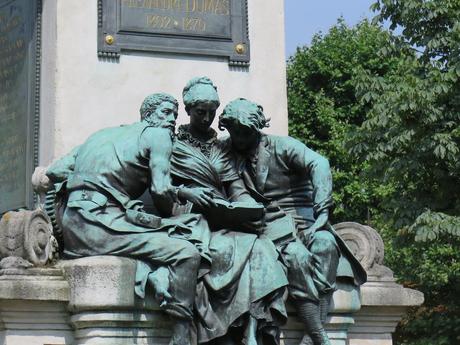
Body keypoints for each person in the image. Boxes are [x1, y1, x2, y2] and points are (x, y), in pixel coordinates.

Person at [36, 93, 212, 345]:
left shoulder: (100, 136)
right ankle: (182, 336)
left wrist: (98, 184)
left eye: (174, 114)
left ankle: (157, 280)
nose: (172, 119)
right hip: (101, 223)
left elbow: (54, 171)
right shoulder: (158, 135)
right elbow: (161, 190)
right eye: (166, 113)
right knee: (187, 253)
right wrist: (184, 193)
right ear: (149, 115)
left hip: (73, 226)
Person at [218, 98, 367, 345]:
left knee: (326, 245)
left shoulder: (281, 146)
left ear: (256, 129)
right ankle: (318, 334)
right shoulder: (225, 151)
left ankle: (311, 334)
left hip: (304, 220)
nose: (240, 139)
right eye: (234, 133)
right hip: (269, 225)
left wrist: (321, 213)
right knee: (296, 257)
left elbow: (319, 163)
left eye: (244, 133)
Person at [170, 77, 288, 345]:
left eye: (212, 112)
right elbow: (162, 188)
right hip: (190, 216)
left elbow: (236, 188)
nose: (207, 118)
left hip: (223, 217)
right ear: (188, 110)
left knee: (261, 248)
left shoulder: (222, 147)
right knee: (220, 251)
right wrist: (188, 197)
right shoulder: (173, 145)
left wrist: (247, 207)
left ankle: (251, 330)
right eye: (201, 112)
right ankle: (219, 329)